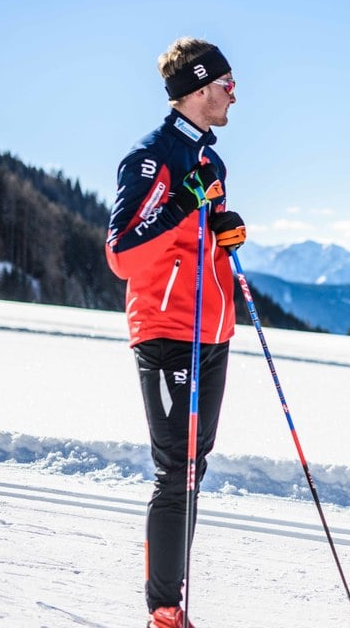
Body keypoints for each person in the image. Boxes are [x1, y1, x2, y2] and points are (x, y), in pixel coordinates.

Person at [106, 36, 247, 628]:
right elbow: (122, 254)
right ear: (194, 90)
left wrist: (225, 234)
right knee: (178, 470)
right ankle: (164, 613)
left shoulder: (210, 160)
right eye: (224, 84)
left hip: (211, 330)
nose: (233, 95)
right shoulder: (151, 157)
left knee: (195, 466)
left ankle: (173, 604)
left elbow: (194, 241)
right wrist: (184, 208)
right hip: (166, 331)